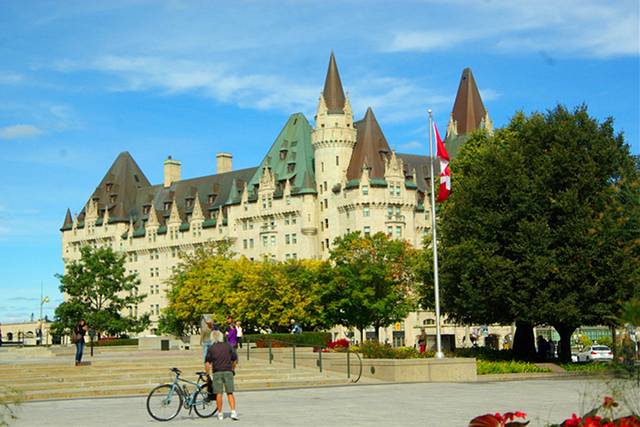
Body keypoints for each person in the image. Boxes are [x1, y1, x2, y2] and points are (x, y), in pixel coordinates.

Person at [205, 330, 238, 421]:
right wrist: (232, 369)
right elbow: (234, 360)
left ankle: (220, 414)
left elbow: (207, 363)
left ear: (212, 338)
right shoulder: (228, 346)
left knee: (219, 393)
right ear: (221, 337)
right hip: (228, 371)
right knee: (230, 392)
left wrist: (207, 374)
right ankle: (233, 412)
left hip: (217, 372)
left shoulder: (211, 348)